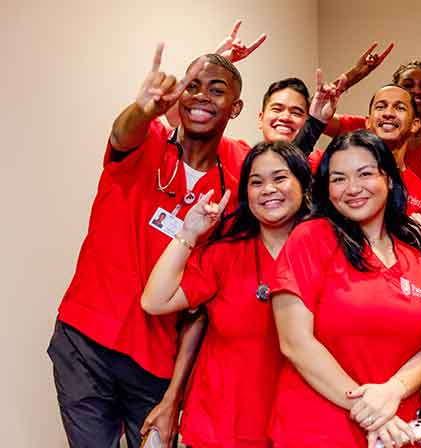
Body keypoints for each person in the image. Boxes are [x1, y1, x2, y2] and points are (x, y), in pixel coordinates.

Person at [47, 43, 253, 448]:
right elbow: (121, 133)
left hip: (157, 360)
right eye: (193, 85)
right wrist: (142, 107)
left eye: (216, 89)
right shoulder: (148, 142)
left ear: (236, 107)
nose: (201, 97)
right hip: (87, 341)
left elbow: (201, 303)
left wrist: (175, 393)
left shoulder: (234, 184)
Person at [268, 130, 421, 447]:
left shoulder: (416, 259)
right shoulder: (311, 238)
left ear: (388, 179)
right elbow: (295, 342)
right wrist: (371, 410)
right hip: (319, 431)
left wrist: (392, 392)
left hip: (398, 432)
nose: (352, 189)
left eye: (364, 174)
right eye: (338, 179)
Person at [140, 141, 312, 447]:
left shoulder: (325, 254)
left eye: (280, 178)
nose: (268, 189)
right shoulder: (226, 255)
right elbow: (155, 301)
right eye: (256, 182)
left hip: (296, 428)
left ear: (303, 183)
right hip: (218, 429)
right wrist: (189, 232)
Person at [324, 44, 421, 186]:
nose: (416, 91)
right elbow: (309, 114)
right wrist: (355, 74)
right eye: (408, 85)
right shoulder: (368, 127)